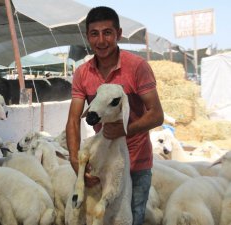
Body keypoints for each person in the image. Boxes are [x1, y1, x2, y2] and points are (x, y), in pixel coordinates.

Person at [65, 6, 164, 225]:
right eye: (94, 33)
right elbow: (73, 119)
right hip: (102, 163)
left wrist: (124, 128)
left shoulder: (137, 67)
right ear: (88, 36)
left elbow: (157, 114)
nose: (101, 40)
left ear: (118, 34)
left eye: (107, 32)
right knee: (96, 217)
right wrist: (74, 158)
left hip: (136, 163)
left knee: (130, 218)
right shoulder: (83, 73)